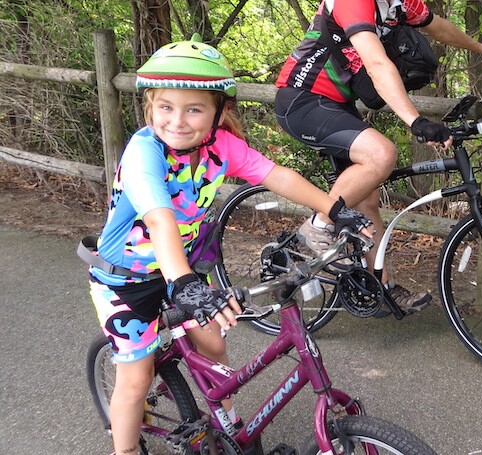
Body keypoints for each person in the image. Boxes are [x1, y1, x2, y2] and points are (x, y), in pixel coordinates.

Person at [86, 38, 371, 455]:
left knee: (215, 345)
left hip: (181, 271)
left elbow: (278, 176)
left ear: (218, 111)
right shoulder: (143, 153)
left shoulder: (220, 146)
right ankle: (125, 450)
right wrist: (186, 283)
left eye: (194, 109)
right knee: (136, 378)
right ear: (150, 108)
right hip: (126, 280)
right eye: (165, 107)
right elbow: (159, 219)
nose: (178, 121)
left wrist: (335, 209)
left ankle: (225, 420)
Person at [274, 0, 482, 315]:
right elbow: (377, 61)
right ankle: (312, 232)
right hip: (302, 98)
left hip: (338, 104)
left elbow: (437, 26)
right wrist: (415, 121)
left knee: (366, 203)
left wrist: (480, 48)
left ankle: (378, 288)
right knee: (382, 154)